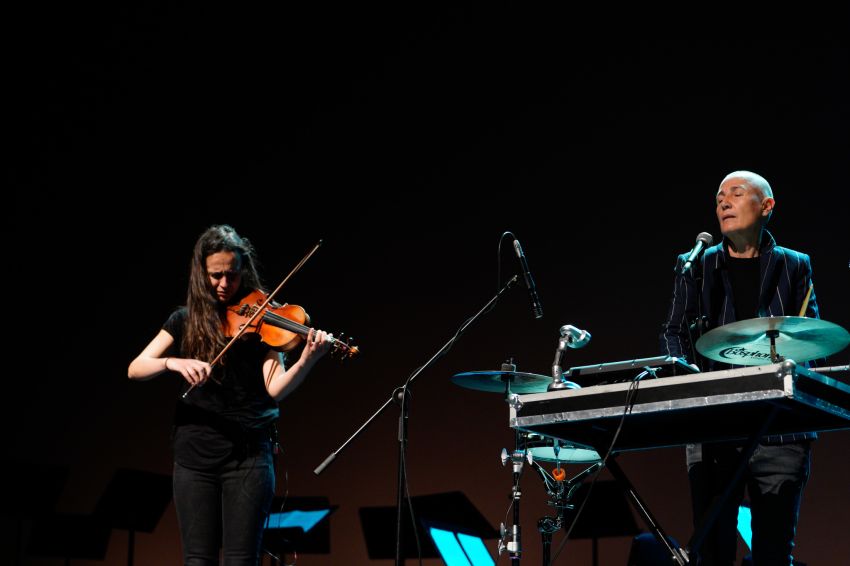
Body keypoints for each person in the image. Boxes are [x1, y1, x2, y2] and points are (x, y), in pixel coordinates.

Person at [128, 224, 333, 565]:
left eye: (233, 275)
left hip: (249, 456)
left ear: (244, 271)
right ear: (201, 273)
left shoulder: (265, 316)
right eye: (216, 275)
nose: (224, 284)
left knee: (241, 559)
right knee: (198, 559)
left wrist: (308, 360)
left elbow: (275, 389)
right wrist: (173, 362)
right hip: (195, 456)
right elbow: (136, 368)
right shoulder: (185, 319)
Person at [660, 171, 818, 565]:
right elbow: (673, 334)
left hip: (780, 432)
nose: (724, 203)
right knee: (711, 551)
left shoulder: (795, 266)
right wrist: (692, 392)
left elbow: (812, 340)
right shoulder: (694, 265)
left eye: (736, 193)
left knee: (773, 553)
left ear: (766, 207)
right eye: (718, 198)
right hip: (713, 427)